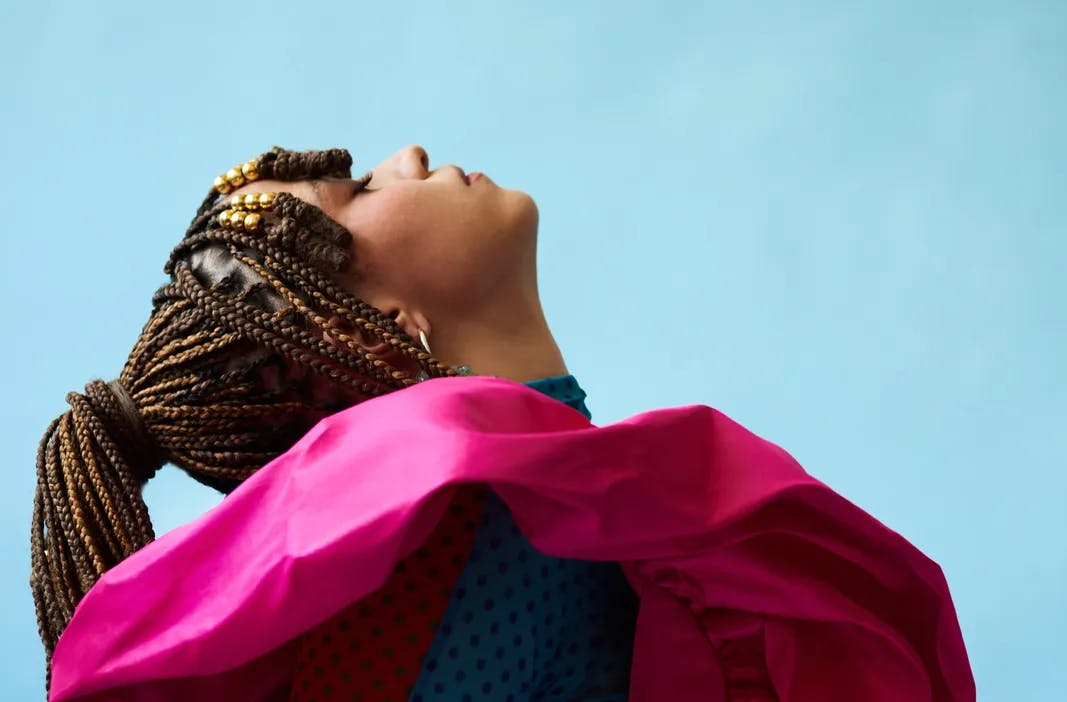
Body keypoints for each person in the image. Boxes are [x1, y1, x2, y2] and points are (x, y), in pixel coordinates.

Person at [33, 146, 976, 701]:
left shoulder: (533, 500)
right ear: (379, 326)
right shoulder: (457, 543)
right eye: (361, 192)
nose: (407, 156)